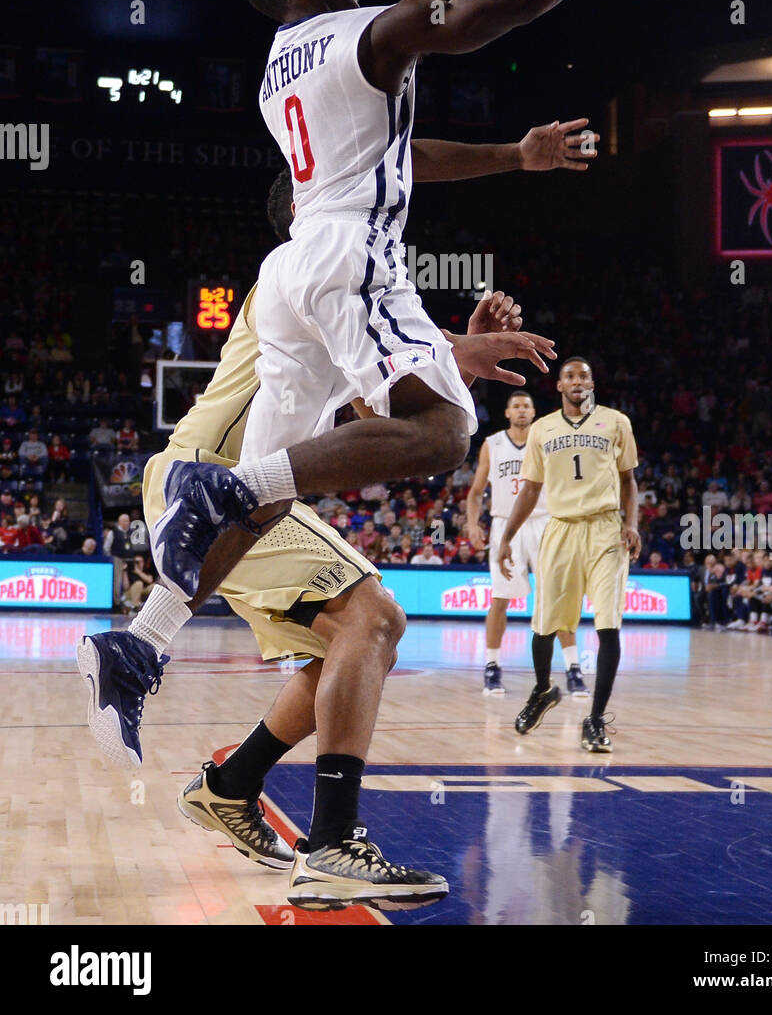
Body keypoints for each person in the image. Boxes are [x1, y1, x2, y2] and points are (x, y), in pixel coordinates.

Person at [149, 0, 680, 607]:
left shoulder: (275, 75)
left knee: (266, 506)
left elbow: (398, 157)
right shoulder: (379, 29)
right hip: (346, 254)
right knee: (443, 432)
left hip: (296, 269)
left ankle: (143, 639)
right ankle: (220, 483)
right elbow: (511, 4)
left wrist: (515, 156)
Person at [79, 173, 556, 910]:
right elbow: (386, 401)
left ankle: (230, 785)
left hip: (239, 487)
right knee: (374, 619)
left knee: (352, 639)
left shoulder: (330, 292)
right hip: (218, 479)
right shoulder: (315, 267)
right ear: (311, 207)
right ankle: (333, 843)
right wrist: (451, 351)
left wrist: (450, 347)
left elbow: (379, 385)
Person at [499, 357, 640, 751]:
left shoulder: (616, 422)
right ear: (559, 386)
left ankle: (595, 720)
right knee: (544, 625)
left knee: (608, 624)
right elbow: (529, 489)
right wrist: (507, 537)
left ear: (592, 383)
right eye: (570, 376)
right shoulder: (542, 429)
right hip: (560, 529)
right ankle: (543, 689)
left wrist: (633, 524)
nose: (578, 381)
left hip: (606, 529)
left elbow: (629, 481)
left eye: (584, 376)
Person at [466, 391, 584, 698]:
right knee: (500, 599)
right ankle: (492, 666)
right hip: (505, 524)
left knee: (558, 596)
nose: (521, 410)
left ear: (533, 413)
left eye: (526, 406)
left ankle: (573, 668)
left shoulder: (547, 440)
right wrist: (471, 523)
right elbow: (476, 492)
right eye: (516, 405)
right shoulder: (492, 445)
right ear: (507, 412)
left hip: (545, 522)